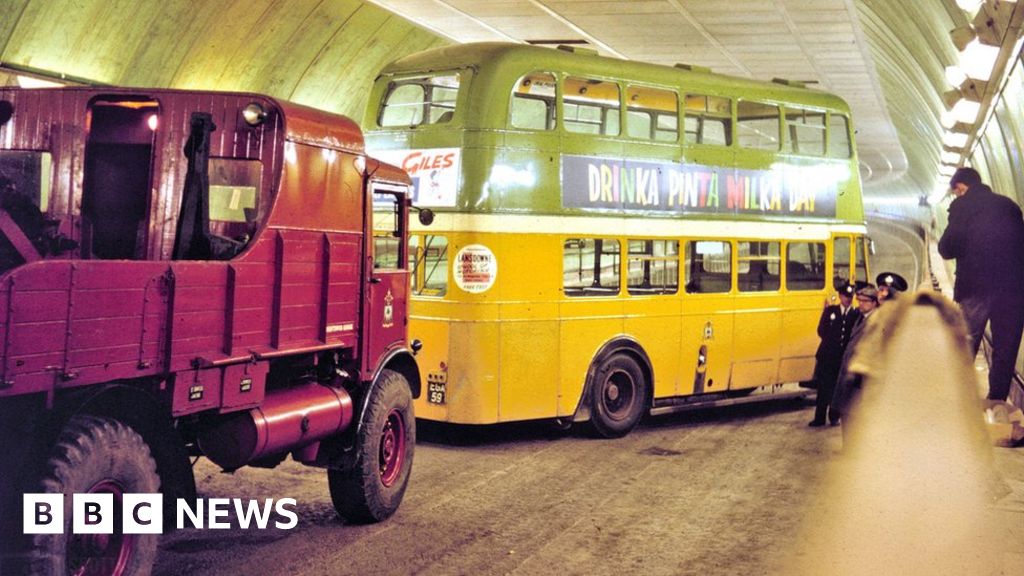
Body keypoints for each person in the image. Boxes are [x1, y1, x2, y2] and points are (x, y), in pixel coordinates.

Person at [937, 166, 1024, 403]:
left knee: (964, 343)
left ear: (961, 188)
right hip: (1013, 290)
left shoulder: (962, 206)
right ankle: (996, 402)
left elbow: (946, 248)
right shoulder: (1010, 206)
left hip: (975, 287)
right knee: (1005, 349)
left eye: (956, 193)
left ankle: (959, 401)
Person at [809, 280, 860, 427]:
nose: (848, 299)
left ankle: (834, 417)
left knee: (838, 389)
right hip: (827, 357)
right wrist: (832, 344)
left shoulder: (855, 314)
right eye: (845, 296)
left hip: (842, 358)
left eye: (850, 297)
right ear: (840, 296)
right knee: (824, 387)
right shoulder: (830, 311)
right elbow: (821, 330)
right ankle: (819, 418)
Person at [830, 284, 881, 425]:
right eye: (859, 300)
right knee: (848, 422)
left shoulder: (876, 321)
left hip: (858, 382)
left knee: (856, 424)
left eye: (865, 301)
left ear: (874, 303)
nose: (861, 304)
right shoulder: (859, 317)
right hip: (849, 378)